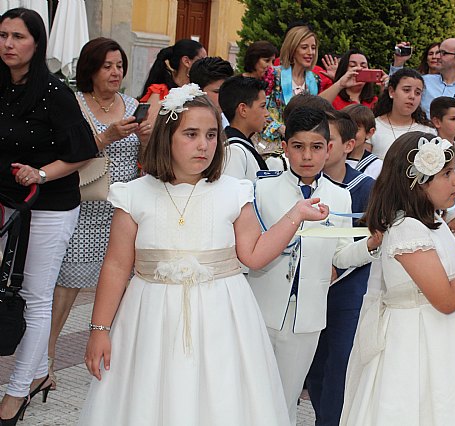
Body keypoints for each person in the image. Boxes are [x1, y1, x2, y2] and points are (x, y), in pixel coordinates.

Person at [79, 84, 330, 425]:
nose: (203, 145)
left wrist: (295, 215)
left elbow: (254, 255)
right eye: (191, 134)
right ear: (167, 137)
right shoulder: (134, 195)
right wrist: (99, 329)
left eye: (211, 135)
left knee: (221, 397)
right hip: (150, 317)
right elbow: (116, 265)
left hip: (221, 316)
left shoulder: (233, 191)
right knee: (151, 396)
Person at [340, 131, 455, 425]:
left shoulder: (432, 222)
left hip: (436, 333)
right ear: (417, 183)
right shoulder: (407, 229)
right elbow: (445, 299)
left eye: (454, 171)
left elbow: (439, 272)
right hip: (418, 339)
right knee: (417, 405)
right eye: (447, 173)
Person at [248, 107, 381, 426]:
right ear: (285, 147)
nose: (307, 156)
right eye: (298, 146)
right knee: (253, 394)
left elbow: (339, 256)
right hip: (260, 310)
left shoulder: (339, 197)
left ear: (329, 149)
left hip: (307, 316)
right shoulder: (260, 189)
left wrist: (370, 245)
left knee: (288, 397)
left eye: (316, 147)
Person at [0, 8, 98, 424]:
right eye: (2, 35)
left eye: (18, 37)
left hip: (50, 203)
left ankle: (16, 392)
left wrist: (39, 173)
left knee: (35, 296)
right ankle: (39, 373)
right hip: (7, 204)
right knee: (8, 290)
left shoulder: (55, 92)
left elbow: (82, 151)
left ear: (36, 44)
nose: (8, 44)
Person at [47, 37, 150, 391]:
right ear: (91, 69)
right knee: (68, 284)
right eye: (107, 66)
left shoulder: (134, 105)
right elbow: (68, 150)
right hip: (82, 205)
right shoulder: (73, 104)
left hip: (122, 209)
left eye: (119, 66)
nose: (115, 72)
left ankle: (113, 362)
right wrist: (106, 136)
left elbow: (147, 159)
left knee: (120, 283)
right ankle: (45, 359)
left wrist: (149, 137)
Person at [307, 110, 376, 426]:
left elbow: (375, 239)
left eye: (326, 141)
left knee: (339, 364)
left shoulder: (364, 187)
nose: (319, 148)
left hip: (347, 290)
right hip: (308, 289)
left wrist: (338, 267)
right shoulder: (303, 184)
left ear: (348, 145)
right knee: (314, 365)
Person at [256, 26, 358, 158]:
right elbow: (260, 109)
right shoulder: (273, 74)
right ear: (292, 49)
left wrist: (339, 84)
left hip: (304, 150)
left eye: (313, 48)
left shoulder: (315, 80)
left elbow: (317, 108)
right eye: (304, 47)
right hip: (272, 147)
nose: (310, 52)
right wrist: (282, 129)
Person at [391, 38, 455, 119]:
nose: (437, 57)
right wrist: (398, 62)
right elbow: (395, 91)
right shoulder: (425, 81)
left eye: (443, 53)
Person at [370, 68, 435, 160]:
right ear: (391, 91)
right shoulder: (373, 127)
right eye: (406, 90)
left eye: (417, 93)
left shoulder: (428, 132)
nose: (412, 96)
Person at [139, 39, 206, 125]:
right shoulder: (160, 92)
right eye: (202, 60)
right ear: (186, 61)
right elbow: (148, 129)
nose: (205, 65)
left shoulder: (200, 90)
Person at [430, 96, 455, 234]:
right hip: (437, 213)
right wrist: (450, 214)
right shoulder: (431, 149)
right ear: (437, 122)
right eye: (453, 119)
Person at [219, 75, 270, 180]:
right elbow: (233, 194)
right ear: (243, 110)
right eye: (262, 106)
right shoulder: (233, 151)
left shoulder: (240, 144)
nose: (267, 113)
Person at [344, 104, 383, 179]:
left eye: (356, 129)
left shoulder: (377, 167)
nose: (349, 133)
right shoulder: (330, 160)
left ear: (369, 133)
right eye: (345, 127)